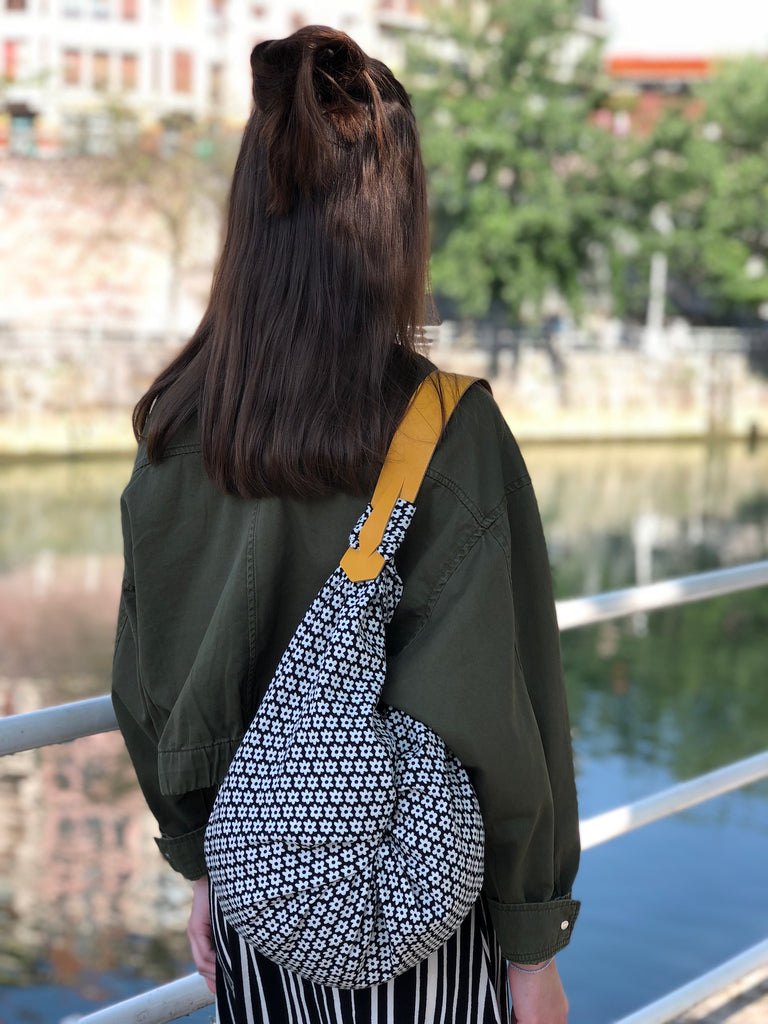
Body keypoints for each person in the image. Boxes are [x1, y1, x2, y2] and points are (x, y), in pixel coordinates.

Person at [111, 25, 581, 1024]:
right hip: (425, 904)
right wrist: (533, 938)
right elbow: (507, 703)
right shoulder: (449, 430)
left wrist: (201, 857)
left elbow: (153, 685)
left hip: (258, 899)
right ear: (398, 220)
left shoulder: (175, 428)